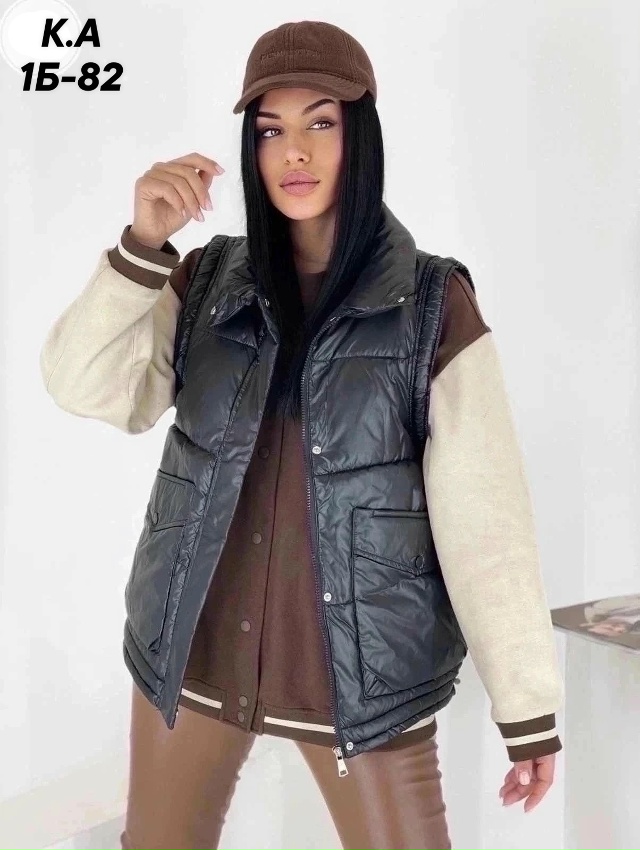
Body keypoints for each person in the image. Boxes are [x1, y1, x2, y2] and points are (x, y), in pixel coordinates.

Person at [39, 19, 564, 850]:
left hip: (363, 684)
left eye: (321, 122)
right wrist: (143, 245)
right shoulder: (205, 281)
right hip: (194, 655)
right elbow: (82, 385)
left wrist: (526, 707)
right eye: (270, 130)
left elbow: (485, 521)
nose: (295, 151)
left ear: (361, 136)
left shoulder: (432, 305)